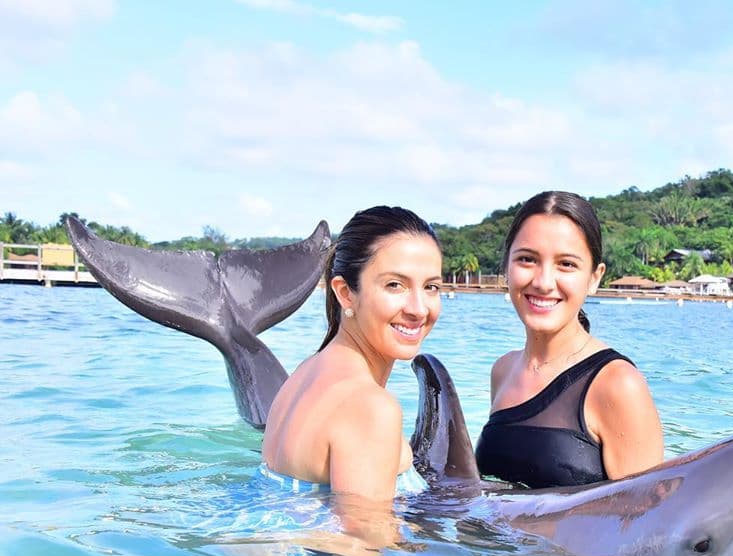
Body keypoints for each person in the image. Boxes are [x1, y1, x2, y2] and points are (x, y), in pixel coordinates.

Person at [474, 191, 664, 488]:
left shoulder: (617, 384)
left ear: (594, 277)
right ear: (506, 268)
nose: (543, 282)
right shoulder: (503, 370)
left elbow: (650, 511)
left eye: (566, 264)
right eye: (527, 259)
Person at [261, 206, 443, 501]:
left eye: (431, 287)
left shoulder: (307, 371)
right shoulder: (370, 407)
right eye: (395, 285)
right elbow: (362, 531)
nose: (419, 309)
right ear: (345, 293)